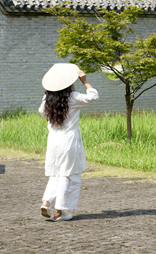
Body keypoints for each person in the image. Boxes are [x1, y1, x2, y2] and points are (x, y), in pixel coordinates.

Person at [38, 63, 98, 221]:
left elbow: (41, 111)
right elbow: (93, 96)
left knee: (55, 174)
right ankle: (59, 212)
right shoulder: (73, 97)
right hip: (69, 141)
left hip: (53, 141)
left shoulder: (47, 98)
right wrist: (85, 81)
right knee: (67, 175)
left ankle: (46, 202)